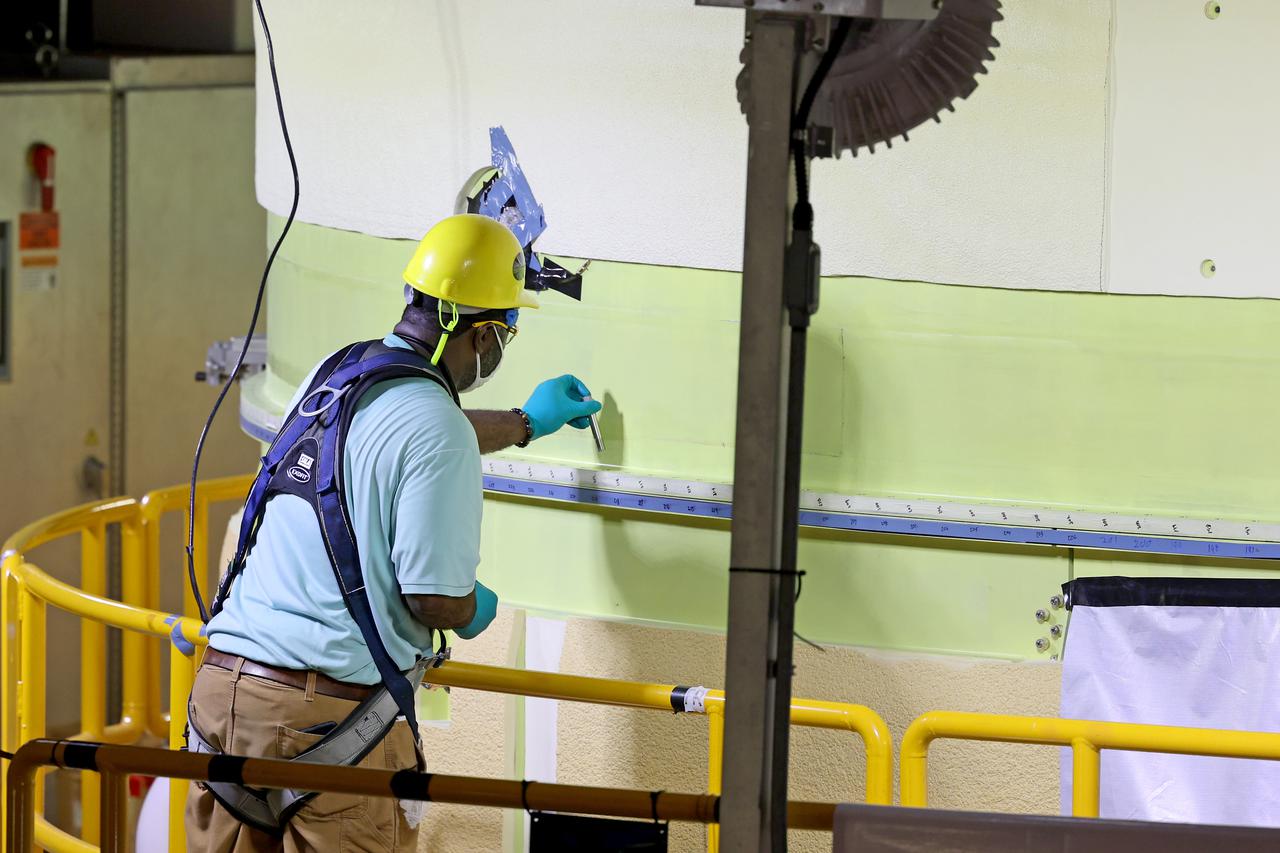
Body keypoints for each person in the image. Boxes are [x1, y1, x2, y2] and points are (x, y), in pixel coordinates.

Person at [185, 213, 601, 852]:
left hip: (223, 699)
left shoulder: (341, 368)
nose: (500, 349)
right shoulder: (437, 429)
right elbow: (431, 597)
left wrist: (526, 423)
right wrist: (468, 609)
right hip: (325, 717)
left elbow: (414, 431)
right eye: (506, 335)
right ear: (485, 332)